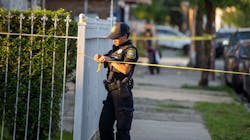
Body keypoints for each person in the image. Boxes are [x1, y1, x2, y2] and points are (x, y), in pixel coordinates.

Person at [93, 22, 138, 140]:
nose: (114, 40)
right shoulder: (115, 50)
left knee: (122, 131)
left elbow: (126, 70)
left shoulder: (130, 50)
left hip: (122, 94)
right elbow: (106, 57)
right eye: (113, 37)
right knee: (104, 126)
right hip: (111, 93)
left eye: (117, 37)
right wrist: (99, 57)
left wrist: (110, 60)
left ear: (125, 36)